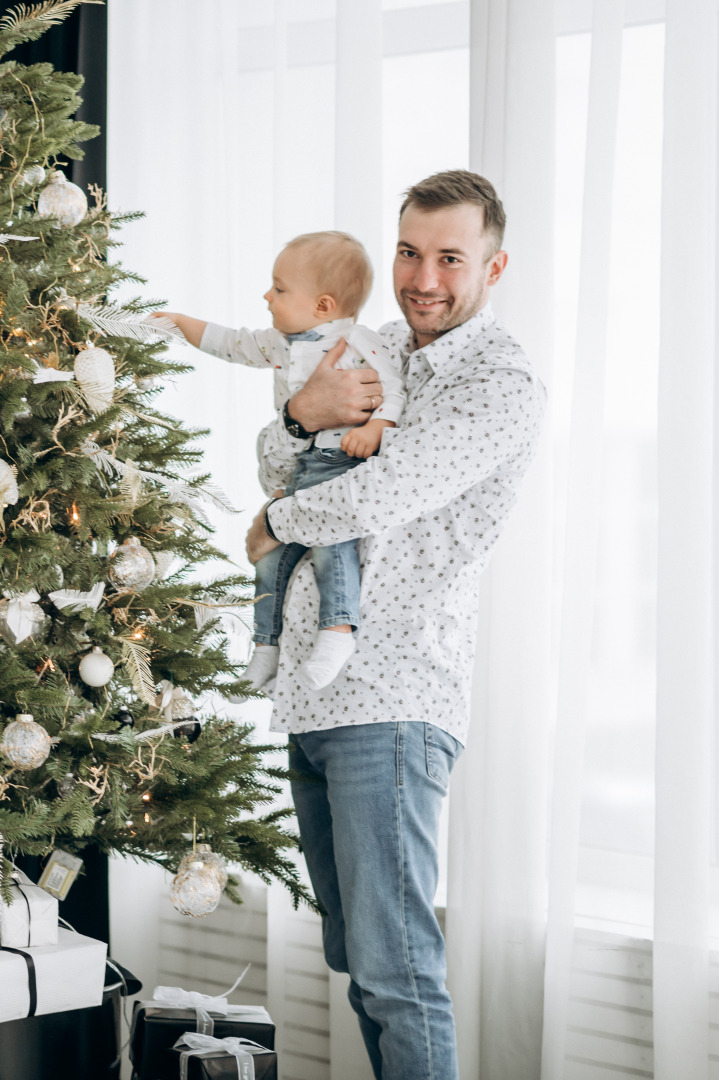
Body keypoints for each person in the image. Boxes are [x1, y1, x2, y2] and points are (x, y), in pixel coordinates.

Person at [244, 172, 545, 1079]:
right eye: (409, 252)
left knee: (395, 969)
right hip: (315, 693)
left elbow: (382, 492)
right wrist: (301, 416)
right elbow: (274, 450)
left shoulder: (499, 384)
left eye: (449, 258)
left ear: (493, 266)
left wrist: (274, 524)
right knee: (355, 960)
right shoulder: (370, 346)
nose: (423, 278)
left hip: (396, 697)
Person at [156, 231, 405, 693]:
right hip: (298, 469)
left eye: (280, 289)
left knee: (332, 545)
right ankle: (265, 648)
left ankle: (337, 629)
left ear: (324, 305)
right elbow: (228, 342)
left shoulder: (359, 341)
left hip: (338, 462)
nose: (267, 297)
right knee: (269, 559)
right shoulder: (277, 343)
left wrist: (376, 428)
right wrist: (177, 322)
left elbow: (392, 388)